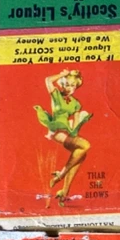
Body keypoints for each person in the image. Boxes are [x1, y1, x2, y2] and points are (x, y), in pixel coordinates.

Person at [36, 69, 92, 207]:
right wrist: (62, 75)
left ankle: (64, 191)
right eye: (67, 84)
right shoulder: (56, 95)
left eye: (73, 85)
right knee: (86, 145)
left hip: (68, 130)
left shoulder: (76, 103)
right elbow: (48, 80)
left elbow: (76, 122)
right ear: (62, 84)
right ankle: (60, 175)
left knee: (81, 155)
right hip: (56, 129)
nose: (69, 88)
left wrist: (75, 132)